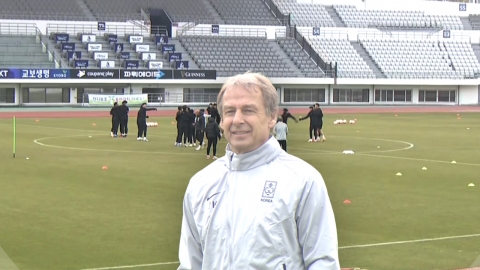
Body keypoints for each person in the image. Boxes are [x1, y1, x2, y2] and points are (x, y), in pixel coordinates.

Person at [178, 72, 340, 270]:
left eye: (248, 110)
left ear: (272, 116)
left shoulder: (303, 180)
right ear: (221, 120)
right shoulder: (200, 184)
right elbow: (190, 264)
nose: (237, 120)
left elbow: (322, 262)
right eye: (229, 111)